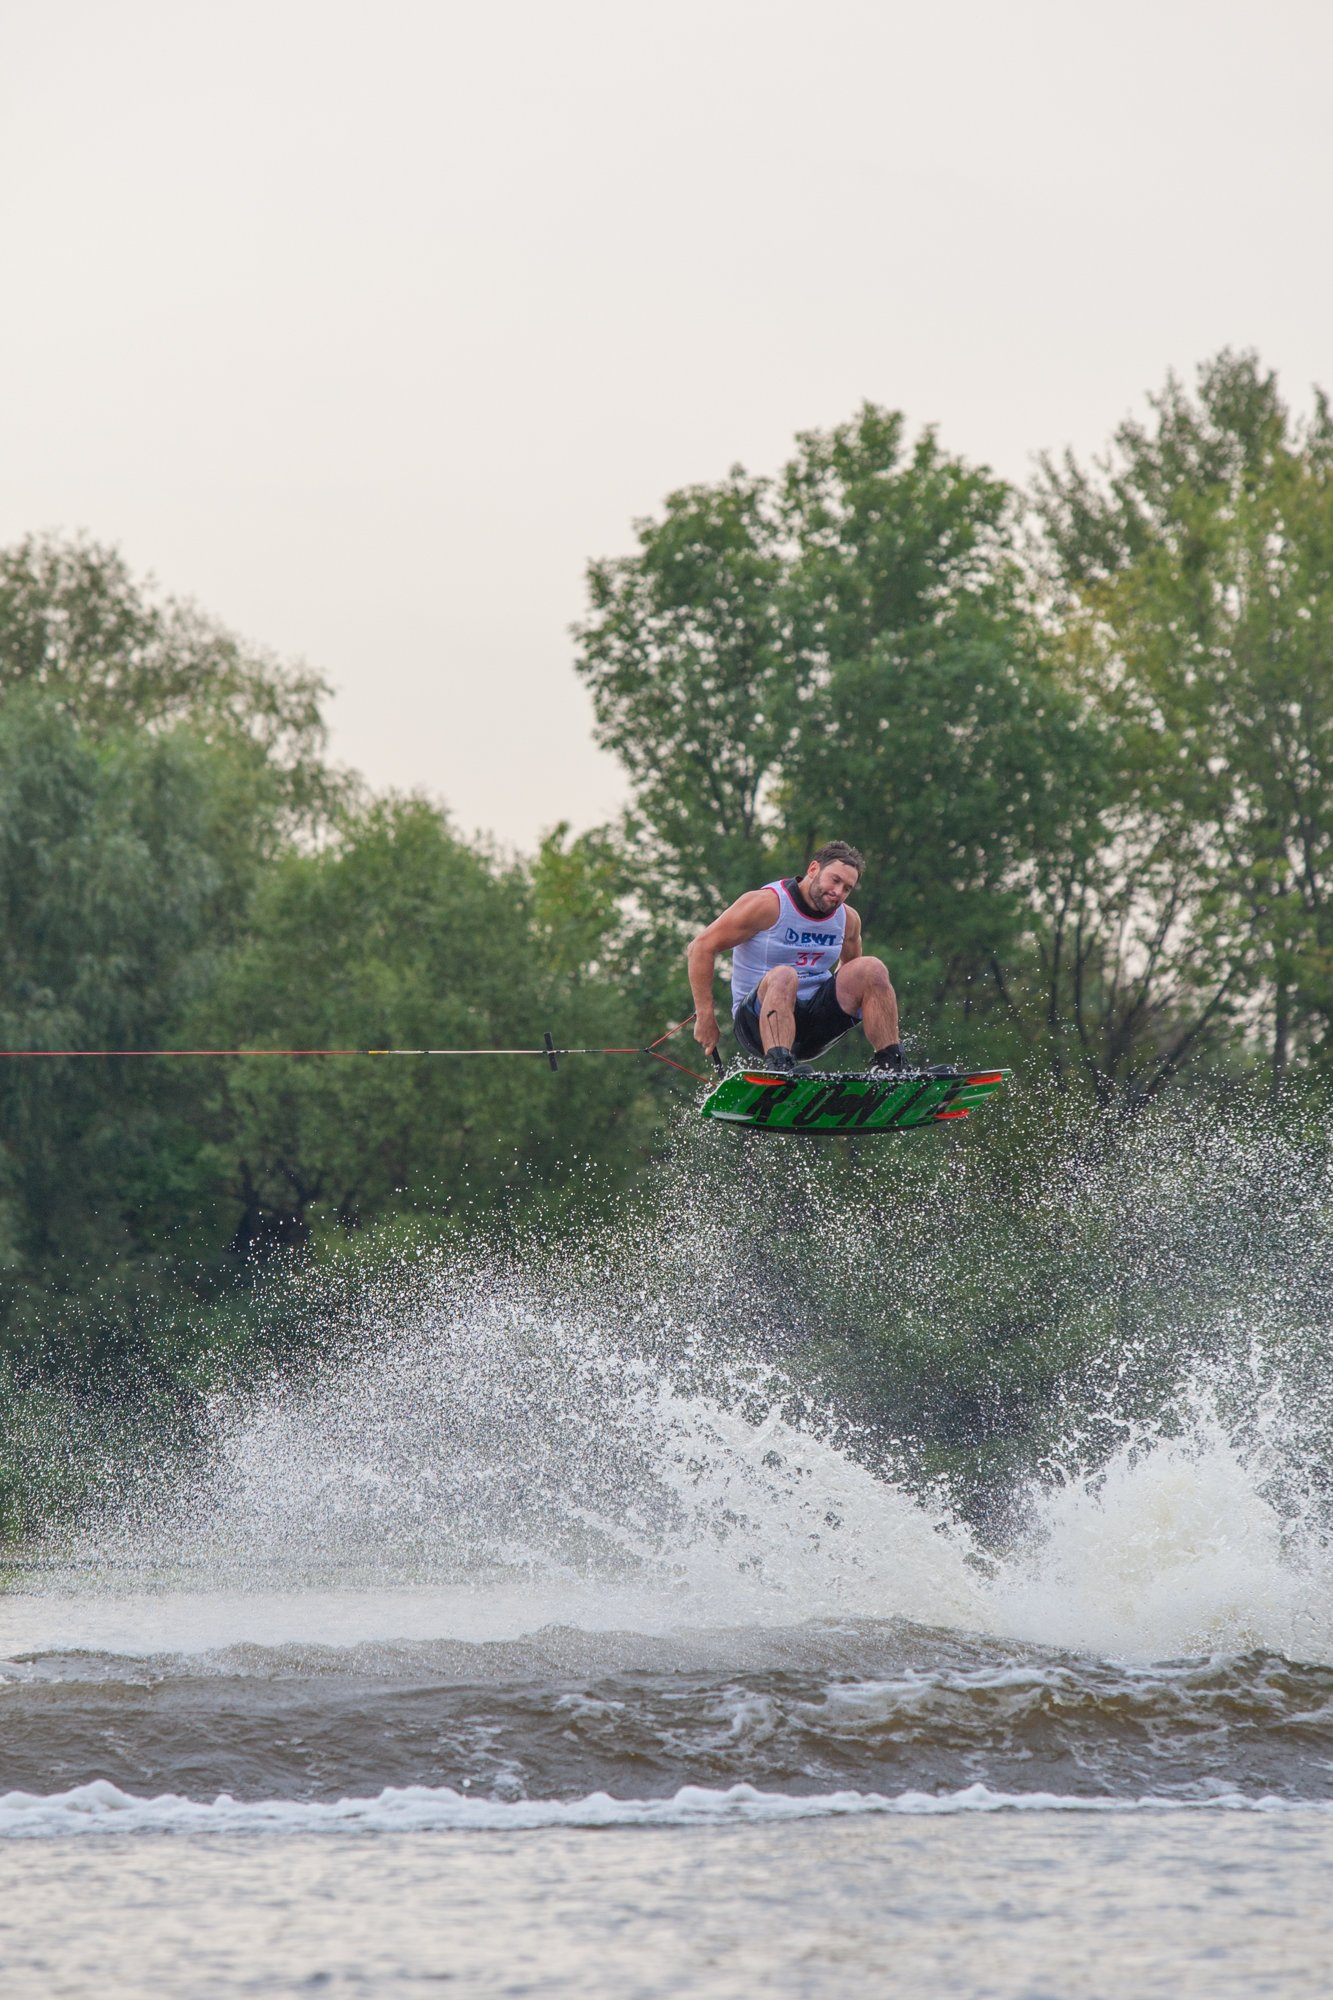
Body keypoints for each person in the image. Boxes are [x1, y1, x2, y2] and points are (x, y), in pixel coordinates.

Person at [686, 841, 905, 1076]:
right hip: (757, 1024)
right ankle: (779, 1067)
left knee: (872, 968)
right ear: (813, 869)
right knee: (784, 975)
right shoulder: (767, 904)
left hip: (812, 1029)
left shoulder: (847, 919)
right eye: (835, 880)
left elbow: (853, 976)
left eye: (847, 889)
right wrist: (706, 1016)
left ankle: (891, 1066)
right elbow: (700, 947)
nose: (838, 893)